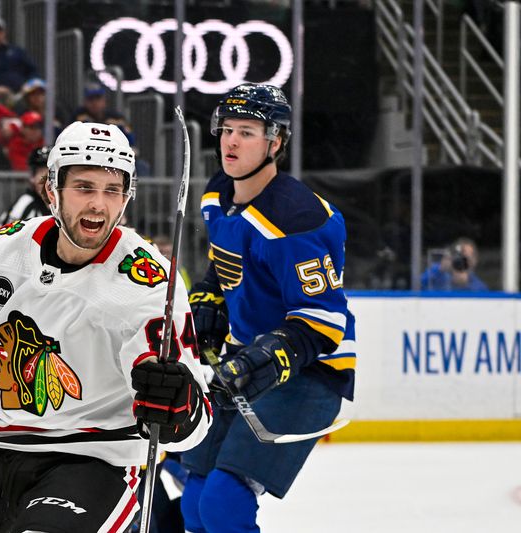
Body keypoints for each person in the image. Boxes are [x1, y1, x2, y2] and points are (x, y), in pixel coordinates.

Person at [0, 121, 212, 532]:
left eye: (112, 190)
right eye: (84, 187)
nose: (98, 205)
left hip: (93, 460)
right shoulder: (1, 251)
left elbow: (195, 420)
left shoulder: (148, 283)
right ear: (52, 191)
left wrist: (178, 406)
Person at [179, 84, 357, 533]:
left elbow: (324, 320)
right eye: (227, 130)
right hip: (244, 361)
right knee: (195, 499)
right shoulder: (218, 193)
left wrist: (273, 353)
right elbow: (227, 265)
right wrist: (208, 297)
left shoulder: (297, 219)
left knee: (223, 503)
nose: (232, 142)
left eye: (248, 132)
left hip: (311, 374)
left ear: (275, 142)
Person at [0, 145, 49, 225]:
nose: (48, 180)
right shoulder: (25, 204)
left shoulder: (64, 204)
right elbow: (3, 236)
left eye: (51, 173)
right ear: (32, 178)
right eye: (42, 173)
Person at [420, 237, 488, 291]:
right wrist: (440, 269)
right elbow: (417, 286)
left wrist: (465, 284)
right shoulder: (438, 273)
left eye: (466, 259)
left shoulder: (479, 287)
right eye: (459, 258)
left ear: (474, 261)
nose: (462, 263)